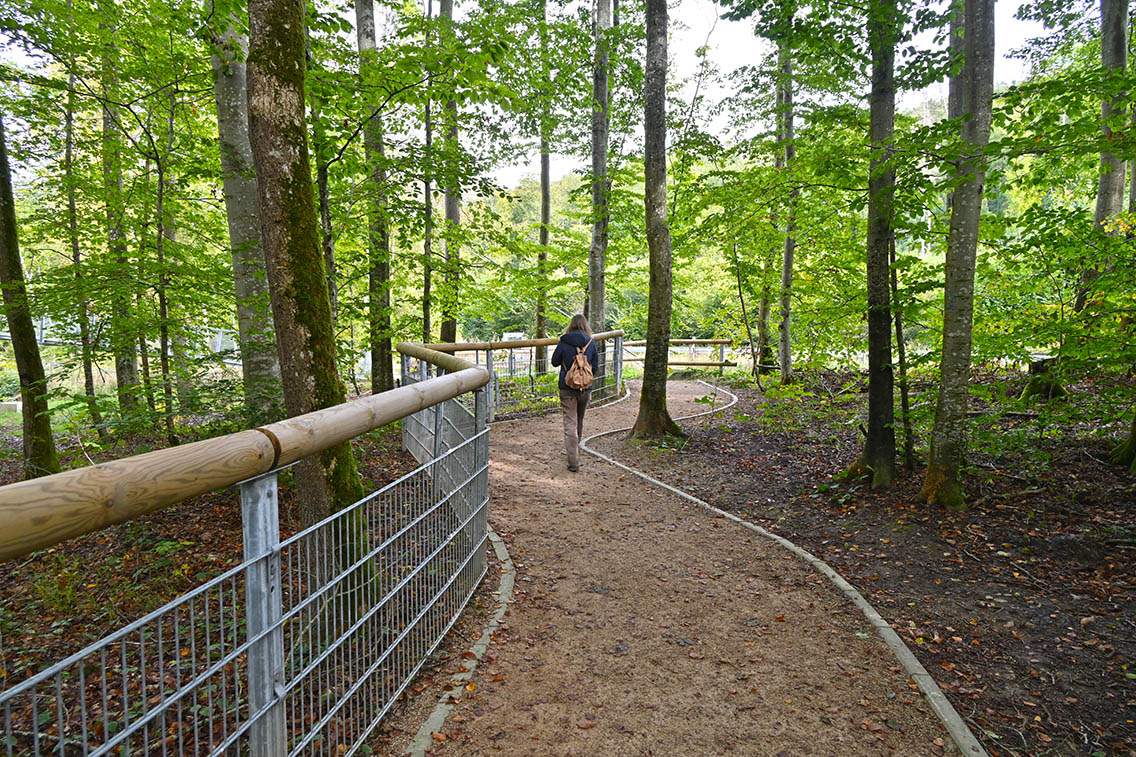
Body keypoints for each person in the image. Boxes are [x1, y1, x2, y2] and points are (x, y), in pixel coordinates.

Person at [550, 314, 599, 472]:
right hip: (585, 388)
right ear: (586, 325)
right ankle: (576, 450)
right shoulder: (591, 342)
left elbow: (555, 361)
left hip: (567, 387)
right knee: (579, 419)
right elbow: (596, 366)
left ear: (571, 325)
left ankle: (573, 461)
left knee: (569, 423)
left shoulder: (564, 341)